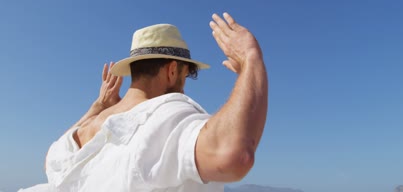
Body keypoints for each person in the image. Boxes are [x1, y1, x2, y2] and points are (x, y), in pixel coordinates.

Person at [20, 12, 268, 192]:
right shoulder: (166, 113)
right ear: (172, 70)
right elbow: (233, 156)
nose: (184, 85)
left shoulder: (88, 127)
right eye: (186, 75)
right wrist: (250, 60)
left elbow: (51, 162)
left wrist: (98, 106)